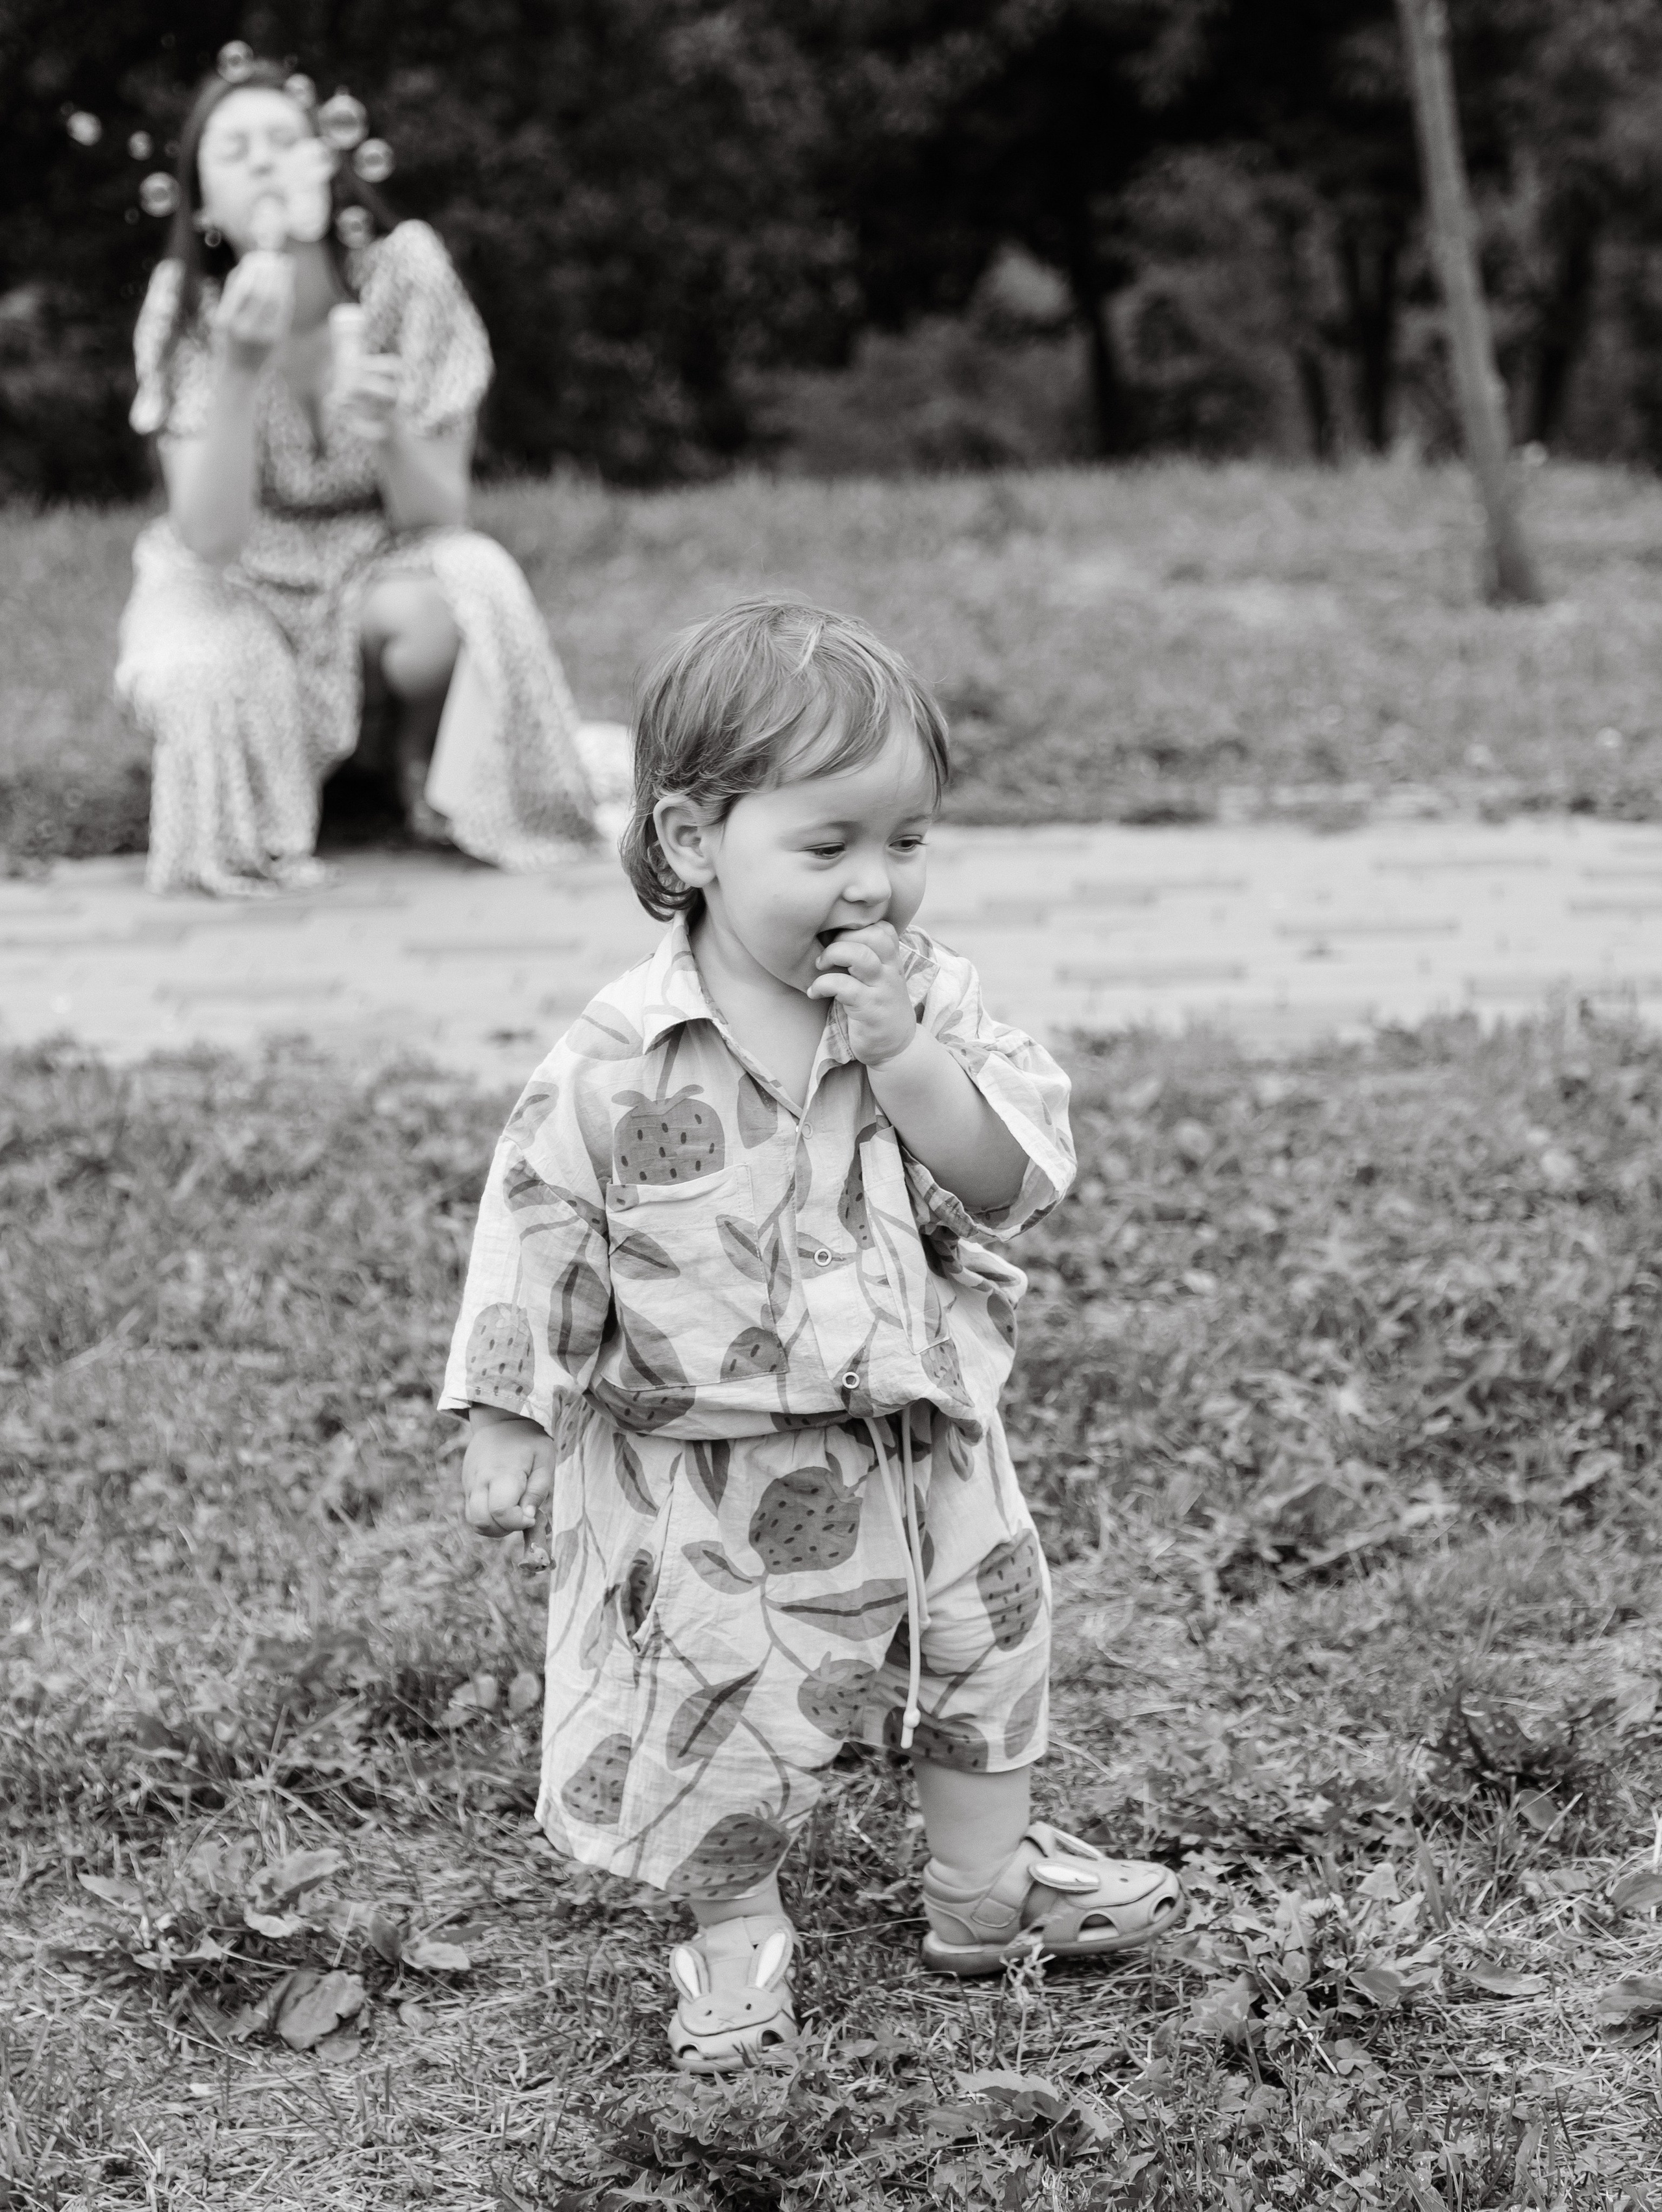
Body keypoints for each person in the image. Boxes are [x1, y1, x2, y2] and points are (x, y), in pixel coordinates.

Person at [441, 599, 1182, 2072]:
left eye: (904, 843)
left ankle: (983, 1886)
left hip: (922, 1436)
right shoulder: (615, 1060)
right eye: (825, 847)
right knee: (713, 1698)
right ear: (693, 841)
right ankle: (733, 1932)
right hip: (705, 1463)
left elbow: (1008, 1179)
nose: (874, 887)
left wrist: (905, 1058)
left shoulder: (936, 1006)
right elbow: (532, 1232)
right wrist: (508, 1414)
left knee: (986, 1646)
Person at [116, 55, 602, 897]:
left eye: (283, 140)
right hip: (233, 580)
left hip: (374, 566)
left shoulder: (404, 270)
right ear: (201, 206)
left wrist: (388, 432)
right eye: (235, 150)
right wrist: (236, 372)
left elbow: (439, 510)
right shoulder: (187, 302)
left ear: (328, 166)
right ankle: (305, 791)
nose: (264, 161)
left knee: (474, 585)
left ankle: (415, 765)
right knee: (203, 671)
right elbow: (209, 539)